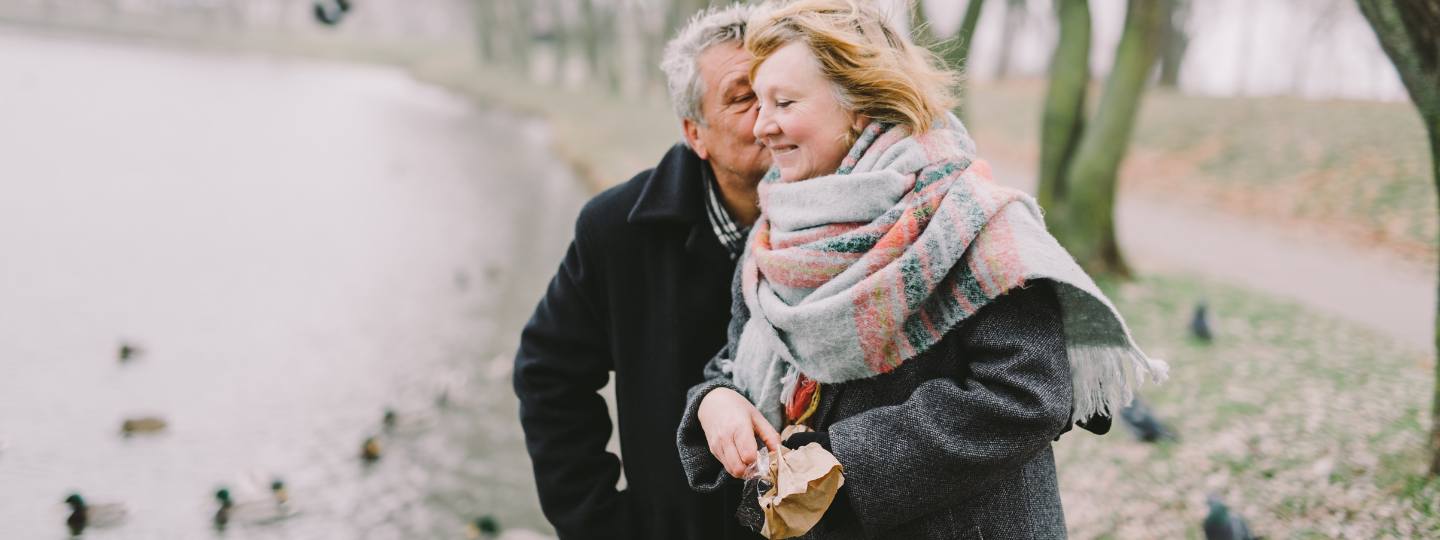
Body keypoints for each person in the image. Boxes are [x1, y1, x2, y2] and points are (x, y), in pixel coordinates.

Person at [675, 1, 1168, 538]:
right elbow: (739, 356)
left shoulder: (969, 220)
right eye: (758, 101)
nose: (762, 126)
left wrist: (841, 460)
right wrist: (714, 401)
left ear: (858, 103)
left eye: (784, 102)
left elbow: (1028, 393)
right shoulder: (776, 230)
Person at [513, 4, 773, 540]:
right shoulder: (617, 230)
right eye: (743, 98)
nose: (769, 115)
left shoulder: (854, 217)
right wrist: (602, 526)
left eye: (779, 91)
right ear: (693, 132)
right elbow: (548, 377)